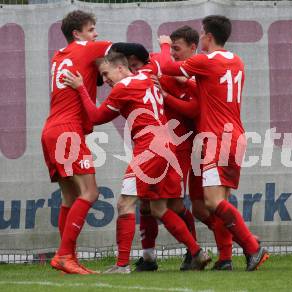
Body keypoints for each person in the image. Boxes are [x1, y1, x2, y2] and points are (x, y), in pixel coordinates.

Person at [63, 52, 211, 273]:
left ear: (121, 68)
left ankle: (122, 264)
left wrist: (80, 87)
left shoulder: (124, 88)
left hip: (150, 147)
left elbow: (95, 117)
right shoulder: (146, 77)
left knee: (125, 204)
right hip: (166, 145)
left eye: (107, 74)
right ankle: (197, 253)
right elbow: (157, 62)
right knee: (159, 208)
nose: (106, 81)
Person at [159, 15, 269, 271]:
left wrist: (165, 45)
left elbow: (167, 66)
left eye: (202, 33)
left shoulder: (205, 61)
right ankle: (228, 258)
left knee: (212, 201)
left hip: (216, 138)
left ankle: (253, 247)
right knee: (221, 200)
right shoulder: (236, 61)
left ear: (207, 37)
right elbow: (211, 85)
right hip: (235, 136)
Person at [41, 10, 112, 274]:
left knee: (70, 198)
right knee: (90, 192)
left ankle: (67, 257)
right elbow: (127, 49)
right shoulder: (84, 48)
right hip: (67, 131)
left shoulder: (60, 56)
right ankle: (63, 255)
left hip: (52, 129)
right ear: (77, 34)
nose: (96, 35)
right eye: (91, 29)